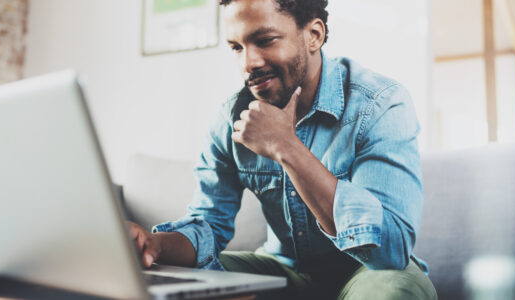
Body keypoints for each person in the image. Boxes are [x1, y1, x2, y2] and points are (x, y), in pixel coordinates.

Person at [128, 0, 437, 298]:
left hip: (368, 271)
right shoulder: (231, 119)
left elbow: (391, 249)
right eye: (237, 47)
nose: (248, 63)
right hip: (282, 269)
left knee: (394, 286)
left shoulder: (379, 104)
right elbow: (208, 224)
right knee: (172, 274)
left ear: (314, 35)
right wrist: (154, 244)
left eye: (265, 40)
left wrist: (286, 146)